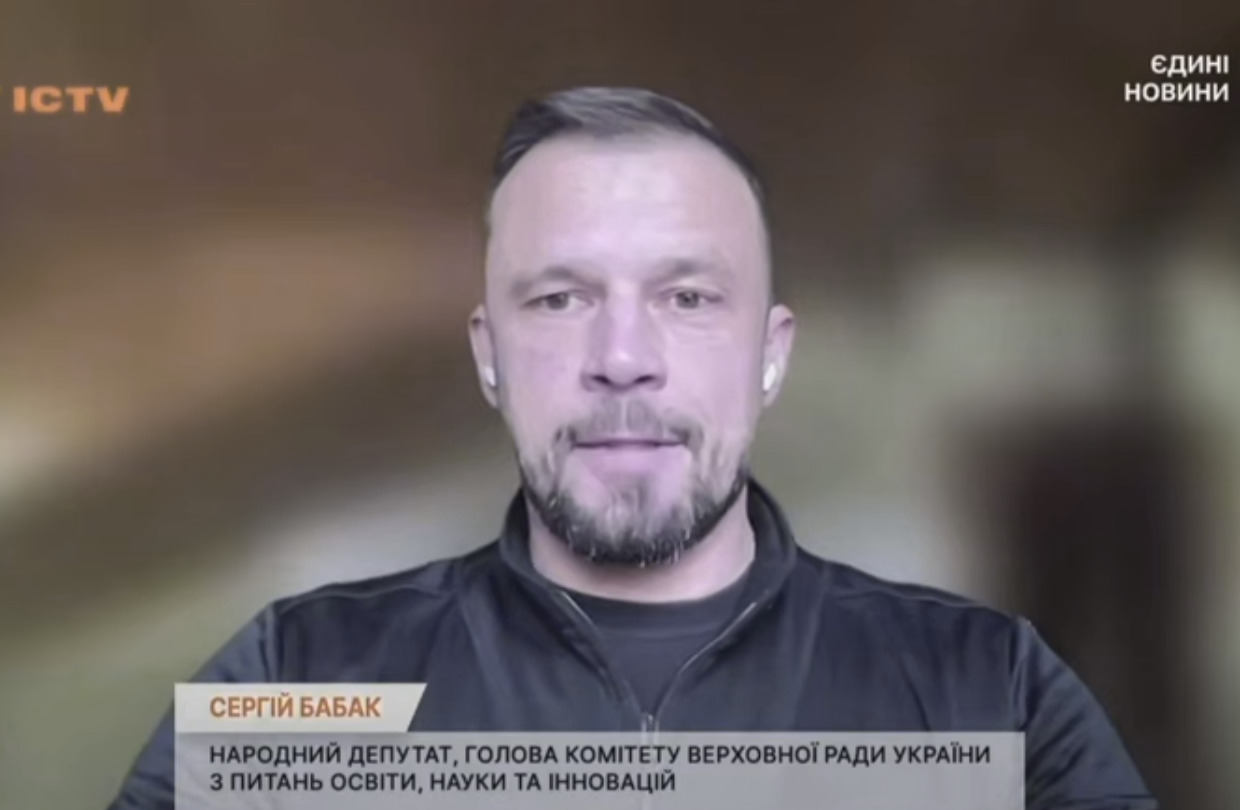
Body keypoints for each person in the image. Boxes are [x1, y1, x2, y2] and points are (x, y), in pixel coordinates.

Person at [108, 86, 1156, 809]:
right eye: (559, 299)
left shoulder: (987, 694)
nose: (622, 360)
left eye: (687, 298)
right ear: (488, 356)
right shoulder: (305, 678)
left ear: (770, 357)